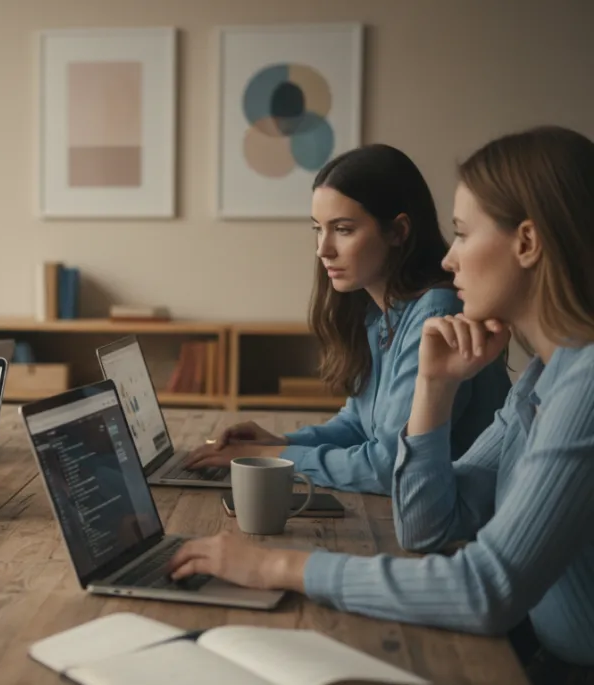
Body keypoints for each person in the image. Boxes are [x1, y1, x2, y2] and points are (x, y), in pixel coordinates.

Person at [169, 126, 594, 681]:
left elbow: (485, 589)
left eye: (463, 235)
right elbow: (423, 527)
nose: (449, 259)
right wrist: (433, 388)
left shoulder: (583, 386)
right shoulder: (540, 381)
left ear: (528, 243)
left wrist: (276, 565)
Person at [186, 144, 510, 494]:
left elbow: (390, 465)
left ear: (398, 232)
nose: (323, 249)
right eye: (318, 229)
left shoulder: (436, 314)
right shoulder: (380, 314)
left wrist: (273, 455)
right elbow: (360, 424)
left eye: (342, 229)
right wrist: (279, 441)